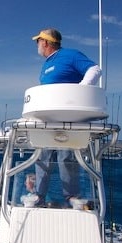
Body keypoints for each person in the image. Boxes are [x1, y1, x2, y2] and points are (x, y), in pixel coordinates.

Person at [32, 28, 101, 205]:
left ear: (46, 42)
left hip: (69, 117)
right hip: (48, 118)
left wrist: (82, 88)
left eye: (38, 41)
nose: (37, 45)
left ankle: (71, 197)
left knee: (66, 156)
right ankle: (39, 195)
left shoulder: (70, 55)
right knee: (42, 155)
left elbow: (94, 69)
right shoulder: (46, 64)